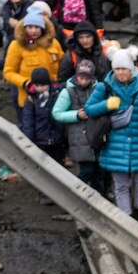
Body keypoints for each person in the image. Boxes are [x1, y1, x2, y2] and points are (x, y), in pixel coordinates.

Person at [83, 49, 138, 219]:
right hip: (115, 143)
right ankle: (126, 219)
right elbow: (88, 109)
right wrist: (107, 104)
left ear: (132, 69)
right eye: (117, 69)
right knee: (121, 185)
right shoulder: (105, 86)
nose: (121, 73)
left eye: (124, 69)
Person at [52, 59, 104, 191]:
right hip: (79, 138)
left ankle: (98, 200)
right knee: (87, 170)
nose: (84, 82)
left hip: (96, 136)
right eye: (81, 78)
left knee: (98, 173)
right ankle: (73, 193)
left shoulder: (98, 89)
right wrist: (76, 115)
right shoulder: (68, 92)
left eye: (88, 79)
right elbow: (57, 113)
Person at [4, 8, 62, 113]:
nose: (33, 31)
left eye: (37, 27)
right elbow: (8, 72)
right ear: (24, 28)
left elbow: (62, 65)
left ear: (43, 28)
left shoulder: (53, 43)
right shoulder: (16, 46)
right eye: (30, 27)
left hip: (53, 98)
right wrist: (26, 83)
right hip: (29, 99)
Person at [19, 67, 66, 162]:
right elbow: (28, 120)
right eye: (37, 85)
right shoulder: (31, 100)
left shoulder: (57, 94)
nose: (40, 88)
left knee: (58, 163)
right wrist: (29, 139)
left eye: (43, 85)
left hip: (57, 139)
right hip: (40, 140)